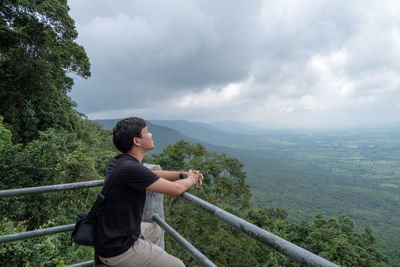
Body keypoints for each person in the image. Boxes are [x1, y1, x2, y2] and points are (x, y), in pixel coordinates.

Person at [94, 117, 203, 267]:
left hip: (111, 236)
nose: (151, 134)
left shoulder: (120, 162)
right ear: (137, 141)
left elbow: (152, 175)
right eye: (147, 131)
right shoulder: (131, 169)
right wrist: (192, 178)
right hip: (119, 248)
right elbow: (177, 189)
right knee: (178, 265)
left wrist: (183, 174)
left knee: (154, 229)